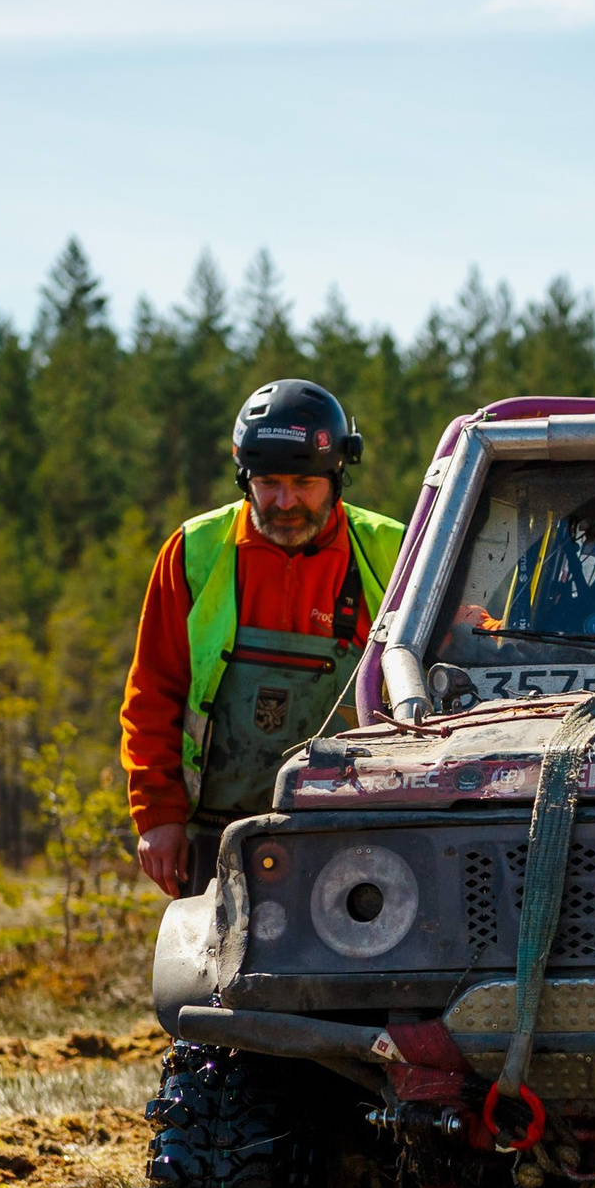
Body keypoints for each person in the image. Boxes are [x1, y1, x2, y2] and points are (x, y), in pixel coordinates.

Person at [121, 381, 406, 897]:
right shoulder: (194, 552)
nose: (285, 501)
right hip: (216, 834)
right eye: (268, 482)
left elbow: (461, 667)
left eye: (304, 482)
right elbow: (152, 694)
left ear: (338, 473)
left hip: (361, 830)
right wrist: (158, 816)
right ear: (243, 475)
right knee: (215, 974)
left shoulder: (397, 551)